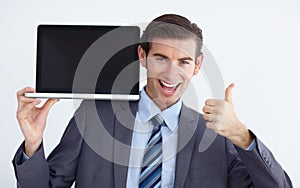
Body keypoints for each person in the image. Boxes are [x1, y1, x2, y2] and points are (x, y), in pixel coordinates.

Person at [13, 14, 292, 188]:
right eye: (161, 58)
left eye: (183, 61)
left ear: (197, 66)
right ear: (143, 56)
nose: (172, 74)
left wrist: (242, 137)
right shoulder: (95, 116)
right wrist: (33, 143)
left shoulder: (215, 136)